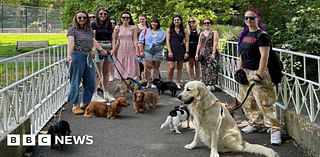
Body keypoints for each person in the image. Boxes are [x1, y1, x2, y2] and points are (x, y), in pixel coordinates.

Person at [236, 8, 282, 145]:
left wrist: (259, 74)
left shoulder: (262, 35)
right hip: (246, 72)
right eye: (246, 18)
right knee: (248, 102)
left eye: (252, 18)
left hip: (259, 73)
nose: (249, 20)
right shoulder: (245, 34)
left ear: (258, 19)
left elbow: (264, 56)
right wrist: (239, 70)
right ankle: (256, 123)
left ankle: (275, 130)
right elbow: (241, 55)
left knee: (265, 103)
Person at [66, 10, 107, 115]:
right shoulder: (72, 30)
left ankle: (85, 103)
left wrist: (99, 49)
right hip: (77, 55)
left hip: (88, 56)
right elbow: (71, 42)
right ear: (76, 19)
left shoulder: (89, 30)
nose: (82, 19)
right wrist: (69, 55)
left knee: (90, 82)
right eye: (80, 18)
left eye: (84, 18)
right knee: (75, 80)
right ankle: (75, 105)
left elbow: (93, 41)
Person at [91, 8, 115, 102]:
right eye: (101, 14)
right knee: (98, 73)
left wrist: (113, 49)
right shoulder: (94, 24)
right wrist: (100, 49)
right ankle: (95, 94)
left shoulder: (109, 25)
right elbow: (93, 38)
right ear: (98, 14)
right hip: (99, 47)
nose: (103, 15)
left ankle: (106, 93)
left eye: (105, 14)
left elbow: (113, 38)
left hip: (108, 46)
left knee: (106, 73)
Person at [138, 18, 166, 88]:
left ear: (158, 23)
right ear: (150, 23)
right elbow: (141, 42)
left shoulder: (162, 32)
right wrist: (141, 51)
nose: (154, 24)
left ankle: (154, 82)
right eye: (152, 22)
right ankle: (146, 82)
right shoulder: (145, 31)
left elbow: (165, 42)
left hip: (158, 51)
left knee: (156, 67)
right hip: (147, 50)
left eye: (155, 22)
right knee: (147, 66)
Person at [112, 11, 140, 80]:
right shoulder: (117, 27)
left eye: (127, 17)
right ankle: (122, 84)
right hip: (121, 47)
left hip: (130, 47)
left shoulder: (134, 27)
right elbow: (114, 39)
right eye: (123, 17)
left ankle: (131, 82)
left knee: (131, 64)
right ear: (121, 19)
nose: (125, 19)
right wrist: (114, 49)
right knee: (121, 63)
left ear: (129, 19)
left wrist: (137, 50)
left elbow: (135, 39)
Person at [195, 19, 219, 91]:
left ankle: (211, 84)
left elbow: (215, 43)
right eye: (205, 23)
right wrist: (197, 53)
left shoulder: (214, 32)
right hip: (203, 53)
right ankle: (205, 83)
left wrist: (214, 53)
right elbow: (199, 44)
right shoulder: (202, 33)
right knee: (204, 68)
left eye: (208, 23)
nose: (206, 24)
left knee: (211, 68)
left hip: (211, 52)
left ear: (211, 24)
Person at [166, 14, 189, 89]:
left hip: (181, 50)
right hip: (172, 49)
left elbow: (187, 41)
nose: (176, 21)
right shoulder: (169, 29)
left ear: (180, 21)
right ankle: (169, 82)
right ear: (173, 21)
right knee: (171, 67)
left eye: (178, 20)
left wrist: (186, 52)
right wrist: (169, 51)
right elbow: (167, 41)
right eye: (175, 20)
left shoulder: (184, 30)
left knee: (180, 68)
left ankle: (178, 82)